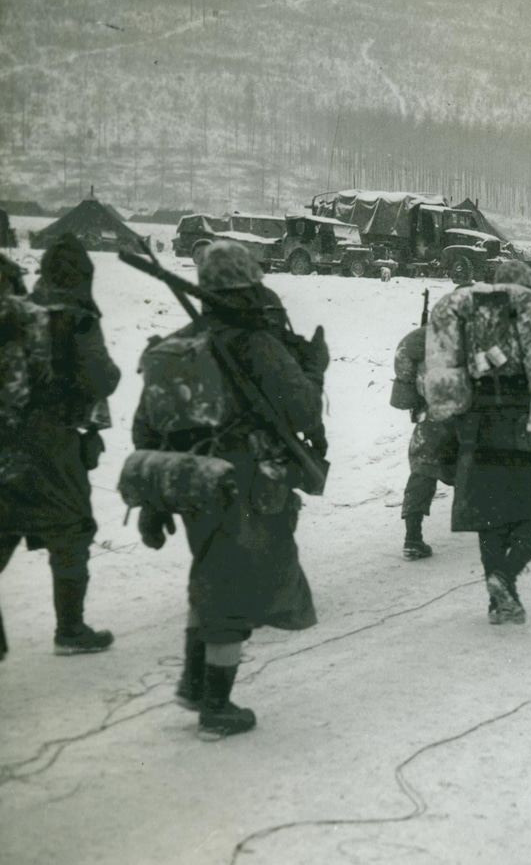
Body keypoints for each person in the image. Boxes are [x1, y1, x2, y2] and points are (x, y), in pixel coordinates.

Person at [133, 241, 325, 738]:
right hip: (247, 481)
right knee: (235, 590)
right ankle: (216, 709)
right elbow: (302, 410)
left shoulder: (181, 341)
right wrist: (314, 368)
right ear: (251, 282)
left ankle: (195, 684)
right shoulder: (256, 342)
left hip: (192, 480)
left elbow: (145, 427)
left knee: (212, 575)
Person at [425, 260, 531, 622]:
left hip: (475, 431)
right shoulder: (530, 313)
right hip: (524, 430)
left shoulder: (467, 315)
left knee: (490, 519)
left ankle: (499, 600)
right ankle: (506, 576)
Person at [1, 238, 121, 662]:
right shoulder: (77, 316)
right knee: (71, 530)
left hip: (6, 435)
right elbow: (101, 380)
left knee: (4, 525)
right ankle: (70, 630)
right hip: (54, 441)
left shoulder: (18, 308)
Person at [390, 322, 459, 559]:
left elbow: (404, 352)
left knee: (423, 469)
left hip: (431, 414)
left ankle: (412, 538)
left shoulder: (429, 333)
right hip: (467, 414)